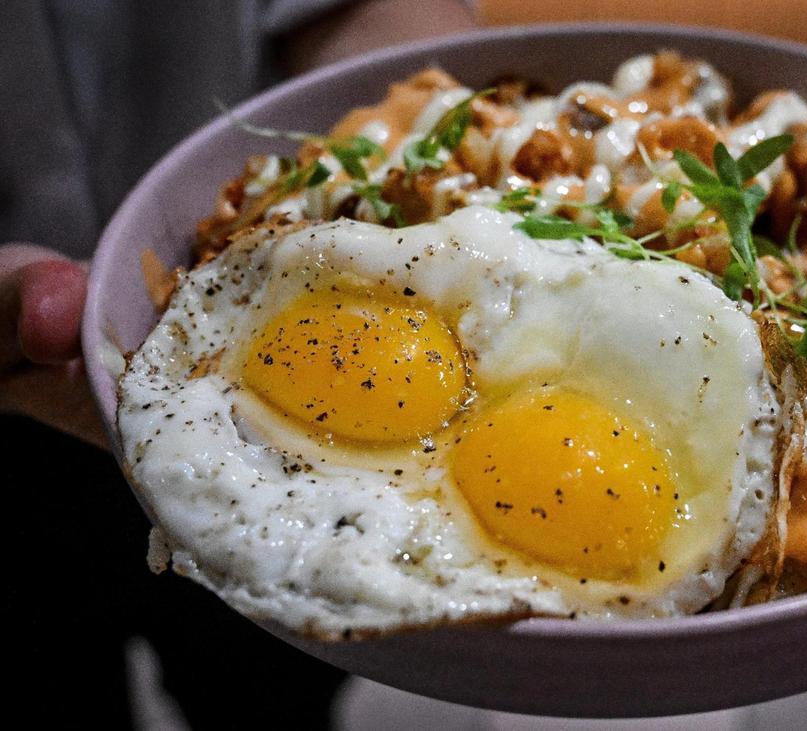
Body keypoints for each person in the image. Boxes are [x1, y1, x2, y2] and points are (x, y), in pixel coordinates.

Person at [1, 2, 475, 727]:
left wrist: (431, 113)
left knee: (270, 693)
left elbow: (355, 12)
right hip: (25, 448)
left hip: (282, 455)